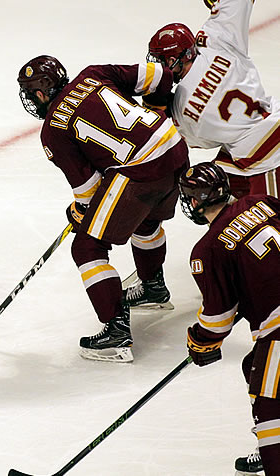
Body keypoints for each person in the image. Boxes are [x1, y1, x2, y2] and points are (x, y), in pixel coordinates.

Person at [17, 55, 189, 362]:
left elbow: (89, 189)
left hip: (141, 171)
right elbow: (160, 75)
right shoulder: (93, 74)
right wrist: (158, 111)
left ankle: (116, 332)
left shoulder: (53, 129)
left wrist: (80, 212)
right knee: (145, 221)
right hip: (174, 147)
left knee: (87, 246)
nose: (32, 99)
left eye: (32, 92)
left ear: (42, 90)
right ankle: (152, 287)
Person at [179, 161, 280, 476]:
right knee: (252, 364)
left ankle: (272, 450)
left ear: (195, 202)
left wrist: (200, 341)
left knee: (270, 410)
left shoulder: (207, 249)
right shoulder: (260, 201)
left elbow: (218, 320)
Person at [147, 0, 280, 200]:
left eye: (163, 60)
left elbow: (202, 143)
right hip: (274, 121)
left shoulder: (182, 112)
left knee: (264, 217)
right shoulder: (215, 40)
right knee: (221, 177)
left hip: (263, 158)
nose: (160, 67)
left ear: (179, 58)